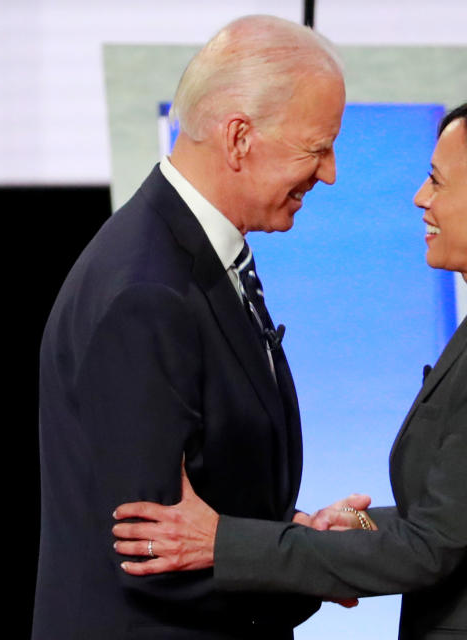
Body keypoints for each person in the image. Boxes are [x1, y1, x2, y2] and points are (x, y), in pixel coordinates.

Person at [112, 94, 467, 639]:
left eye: (439, 182)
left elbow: (430, 548)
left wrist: (220, 542)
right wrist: (356, 527)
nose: (422, 198)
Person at [32, 15, 364, 639]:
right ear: (239, 138)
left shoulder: (193, 256)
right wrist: (313, 564)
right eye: (316, 148)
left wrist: (292, 534)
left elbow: (212, 504)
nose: (329, 173)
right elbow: (154, 556)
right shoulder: (149, 291)